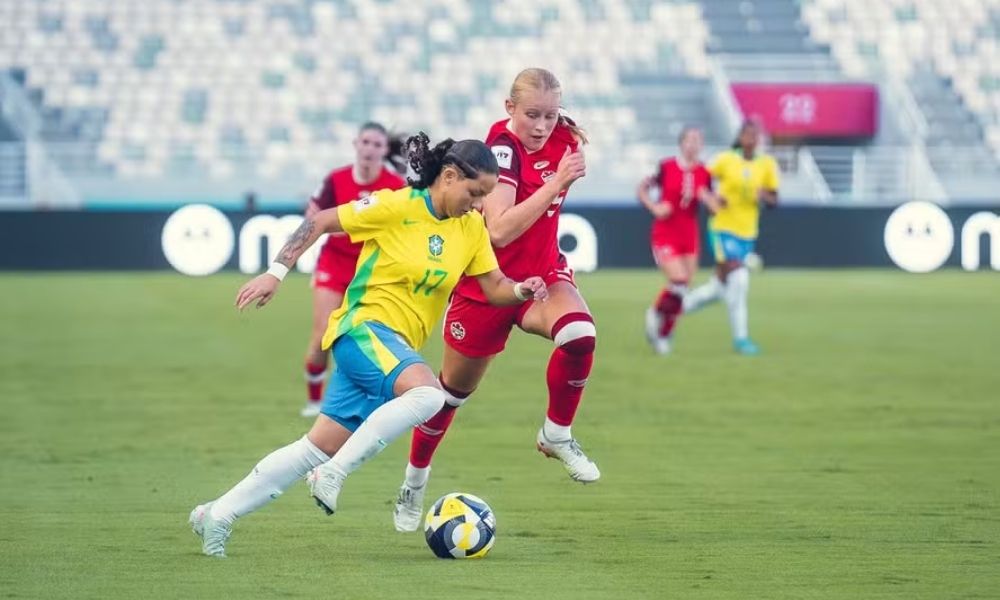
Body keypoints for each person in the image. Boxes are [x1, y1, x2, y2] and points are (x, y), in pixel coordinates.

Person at [189, 133, 549, 557]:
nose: (479, 204)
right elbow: (320, 220)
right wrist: (276, 272)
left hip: (390, 350)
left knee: (315, 447)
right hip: (362, 329)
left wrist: (521, 290)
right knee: (430, 395)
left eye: (485, 196)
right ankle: (334, 474)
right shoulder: (396, 206)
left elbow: (493, 287)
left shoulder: (470, 228)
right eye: (475, 193)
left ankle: (217, 513)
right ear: (449, 177)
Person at [376, 67, 598, 533]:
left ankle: (556, 433)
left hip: (541, 277)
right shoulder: (502, 149)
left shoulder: (564, 139)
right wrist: (557, 183)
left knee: (579, 334)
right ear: (509, 109)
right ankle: (414, 482)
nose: (541, 126)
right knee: (448, 397)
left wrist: (566, 150)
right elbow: (497, 230)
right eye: (532, 115)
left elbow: (565, 143)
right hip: (486, 283)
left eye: (550, 116)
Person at [301, 122, 407, 417]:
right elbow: (313, 218)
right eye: (366, 142)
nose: (370, 149)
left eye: (377, 145)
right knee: (324, 332)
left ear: (385, 150)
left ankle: (373, 396)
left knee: (373, 334)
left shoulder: (395, 185)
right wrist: (348, 226)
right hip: (335, 264)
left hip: (372, 269)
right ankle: (314, 399)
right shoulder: (335, 180)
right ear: (355, 144)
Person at [682, 120, 779, 355]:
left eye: (756, 135)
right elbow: (701, 178)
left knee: (720, 287)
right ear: (740, 136)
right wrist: (713, 197)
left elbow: (775, 199)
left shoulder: (766, 164)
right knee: (739, 278)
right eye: (748, 134)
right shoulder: (726, 159)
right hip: (723, 228)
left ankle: (675, 308)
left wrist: (763, 194)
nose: (752, 139)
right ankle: (741, 339)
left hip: (748, 232)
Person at [637, 126, 721, 355]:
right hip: (666, 231)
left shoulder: (705, 172)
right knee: (678, 280)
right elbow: (642, 189)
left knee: (683, 289)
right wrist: (655, 207)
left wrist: (708, 199)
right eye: (690, 140)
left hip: (689, 234)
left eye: (698, 140)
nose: (693, 144)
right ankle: (655, 313)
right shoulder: (666, 167)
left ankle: (664, 334)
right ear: (681, 143)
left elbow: (714, 208)